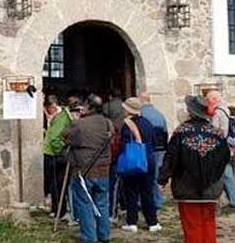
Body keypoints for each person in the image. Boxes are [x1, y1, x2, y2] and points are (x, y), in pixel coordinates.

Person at [158, 95, 230, 243]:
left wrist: (163, 179)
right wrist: (214, 177)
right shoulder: (216, 134)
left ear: (190, 111)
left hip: (186, 187)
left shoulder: (181, 132)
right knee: (209, 224)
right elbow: (225, 158)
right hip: (211, 187)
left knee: (192, 226)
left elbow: (171, 158)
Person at [63, 94, 113, 243]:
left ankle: (89, 237)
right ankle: (104, 235)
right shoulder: (107, 123)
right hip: (103, 169)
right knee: (102, 203)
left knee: (84, 204)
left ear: (89, 107)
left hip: (84, 171)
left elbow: (66, 137)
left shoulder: (80, 124)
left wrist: (75, 122)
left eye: (84, 105)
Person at [119, 97, 161, 233]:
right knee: (147, 192)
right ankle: (152, 222)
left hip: (133, 161)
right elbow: (154, 141)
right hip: (148, 160)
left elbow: (124, 143)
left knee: (130, 191)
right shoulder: (147, 123)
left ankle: (132, 222)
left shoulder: (127, 125)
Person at [205, 89, 235, 209]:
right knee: (227, 173)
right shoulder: (225, 110)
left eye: (208, 99)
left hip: (219, 149)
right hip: (227, 148)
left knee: (225, 174)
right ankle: (233, 200)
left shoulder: (217, 113)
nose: (206, 102)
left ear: (213, 100)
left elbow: (216, 131)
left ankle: (232, 200)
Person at [43, 96, 72, 218]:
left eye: (48, 109)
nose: (48, 112)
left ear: (53, 106)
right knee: (57, 184)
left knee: (56, 184)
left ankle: (59, 210)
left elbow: (55, 138)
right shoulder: (62, 116)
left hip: (54, 155)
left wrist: (57, 151)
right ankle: (58, 209)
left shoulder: (61, 118)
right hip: (54, 153)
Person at [139, 91, 168, 209]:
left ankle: (143, 201)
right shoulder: (159, 114)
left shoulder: (141, 114)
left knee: (143, 175)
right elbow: (165, 132)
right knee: (156, 175)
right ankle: (158, 200)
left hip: (147, 147)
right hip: (160, 148)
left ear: (141, 100)